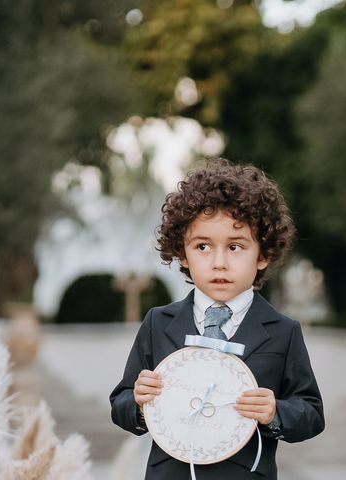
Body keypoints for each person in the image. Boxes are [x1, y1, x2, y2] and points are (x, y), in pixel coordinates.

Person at [110, 159, 325, 479]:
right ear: (182, 253)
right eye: (203, 247)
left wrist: (276, 412)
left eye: (235, 247)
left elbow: (312, 413)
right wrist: (139, 402)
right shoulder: (158, 322)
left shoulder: (283, 331)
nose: (219, 263)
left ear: (263, 254)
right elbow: (120, 404)